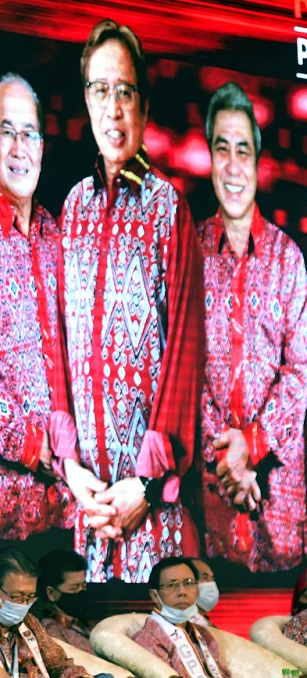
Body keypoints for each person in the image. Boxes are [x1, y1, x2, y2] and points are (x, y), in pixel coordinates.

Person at [59, 19, 204, 582]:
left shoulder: (169, 209)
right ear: (86, 101)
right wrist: (71, 469)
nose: (113, 109)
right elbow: (60, 347)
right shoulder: (72, 208)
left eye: (125, 91)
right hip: (89, 506)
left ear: (143, 104)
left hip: (149, 509)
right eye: (100, 90)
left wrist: (145, 485)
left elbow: (186, 356)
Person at [0, 72, 96, 540]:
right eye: (6, 132)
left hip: (69, 494)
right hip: (7, 497)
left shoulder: (55, 232)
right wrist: (37, 446)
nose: (18, 148)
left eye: (28, 133)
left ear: (43, 145)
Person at [198, 81, 307, 574]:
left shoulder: (289, 259)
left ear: (259, 162)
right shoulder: (190, 253)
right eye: (223, 148)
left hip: (277, 497)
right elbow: (181, 372)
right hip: (211, 501)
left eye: (244, 149)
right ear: (209, 158)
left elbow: (300, 372)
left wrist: (252, 447)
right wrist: (228, 461)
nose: (234, 164)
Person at [0, 548, 149, 678]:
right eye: (17, 597)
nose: (24, 605)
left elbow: (58, 665)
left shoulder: (29, 623)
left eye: (30, 597)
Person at [134, 557, 248, 678]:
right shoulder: (150, 638)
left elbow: (224, 677)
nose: (182, 592)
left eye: (188, 583)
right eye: (172, 585)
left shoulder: (202, 633)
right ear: (154, 595)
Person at [32, 550, 94, 654]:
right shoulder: (51, 634)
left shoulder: (80, 624)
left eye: (83, 586)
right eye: (74, 588)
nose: (80, 593)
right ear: (51, 593)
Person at [189, 558, 219, 627]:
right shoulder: (185, 626)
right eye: (205, 578)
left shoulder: (206, 623)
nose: (211, 583)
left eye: (212, 578)